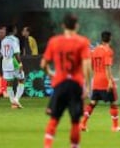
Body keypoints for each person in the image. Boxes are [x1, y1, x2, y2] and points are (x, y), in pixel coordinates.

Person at [40, 13, 92, 148]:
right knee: (75, 121)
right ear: (77, 26)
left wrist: (50, 73)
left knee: (54, 119)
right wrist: (87, 86)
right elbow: (87, 67)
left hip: (60, 84)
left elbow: (43, 64)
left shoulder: (54, 41)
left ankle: (47, 145)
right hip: (75, 85)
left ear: (63, 25)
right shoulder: (83, 42)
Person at [80, 31, 120, 132]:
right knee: (114, 103)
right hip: (105, 80)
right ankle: (115, 126)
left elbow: (92, 66)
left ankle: (83, 124)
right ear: (110, 39)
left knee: (93, 103)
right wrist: (110, 81)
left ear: (101, 38)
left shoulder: (95, 50)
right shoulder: (108, 51)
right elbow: (107, 67)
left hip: (96, 80)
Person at [1, 25, 24, 108]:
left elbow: (2, 53)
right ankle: (16, 100)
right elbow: (16, 53)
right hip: (13, 62)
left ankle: (13, 102)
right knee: (21, 80)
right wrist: (20, 63)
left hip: (5, 63)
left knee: (9, 83)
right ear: (14, 30)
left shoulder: (3, 40)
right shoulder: (14, 39)